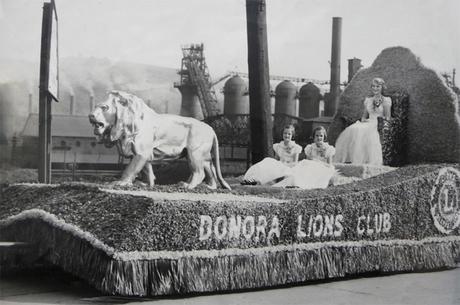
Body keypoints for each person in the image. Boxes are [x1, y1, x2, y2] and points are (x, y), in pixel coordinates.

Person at [334, 77, 392, 165]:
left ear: (382, 87)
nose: (375, 88)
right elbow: (364, 117)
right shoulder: (368, 100)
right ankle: (354, 159)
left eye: (378, 86)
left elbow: (388, 117)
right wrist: (365, 120)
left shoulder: (386, 100)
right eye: (373, 86)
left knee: (370, 133)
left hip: (379, 123)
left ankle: (369, 160)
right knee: (355, 129)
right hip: (369, 122)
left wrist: (381, 122)